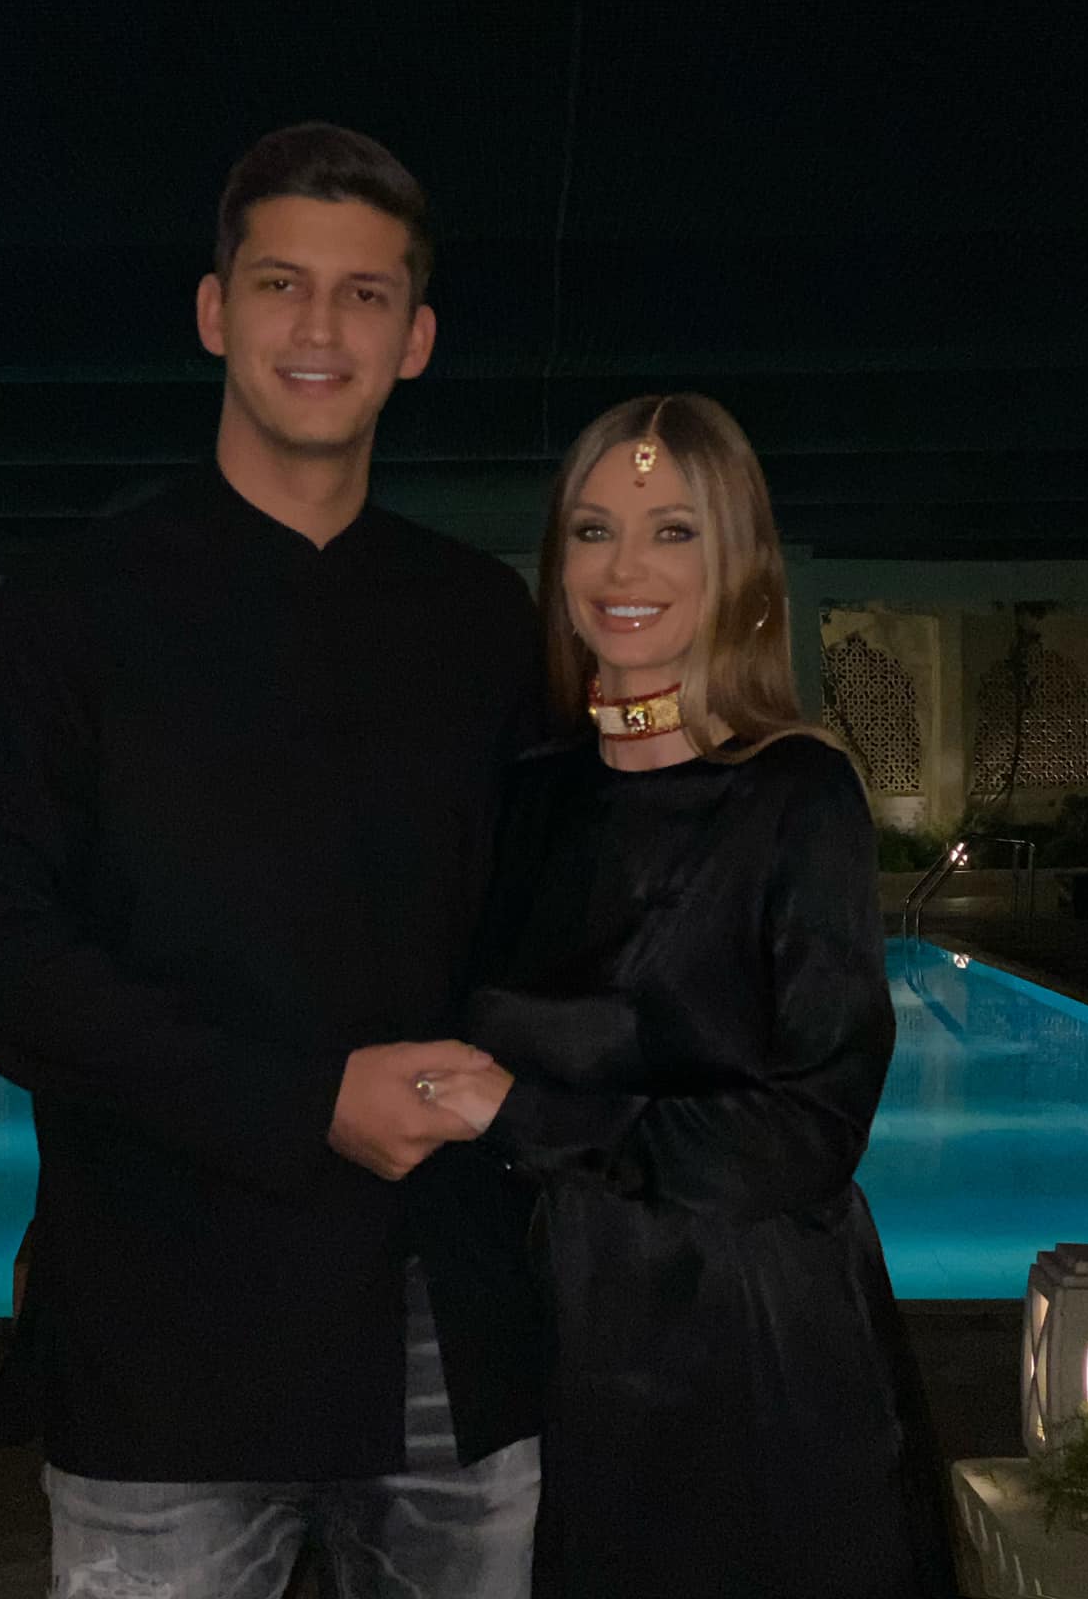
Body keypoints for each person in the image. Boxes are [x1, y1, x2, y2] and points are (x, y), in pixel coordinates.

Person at [0, 124, 544, 1599]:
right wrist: (305, 1098)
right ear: (215, 312)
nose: (320, 327)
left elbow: (551, 925)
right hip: (167, 1355)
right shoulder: (66, 617)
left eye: (365, 293)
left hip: (444, 1345)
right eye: (280, 283)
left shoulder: (480, 625)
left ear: (416, 339)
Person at [426, 393, 961, 1599]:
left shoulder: (793, 793)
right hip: (550, 1331)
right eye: (594, 529)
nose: (625, 569)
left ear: (741, 567)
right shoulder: (535, 794)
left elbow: (809, 1133)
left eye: (674, 530)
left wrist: (525, 1112)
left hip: (745, 1343)